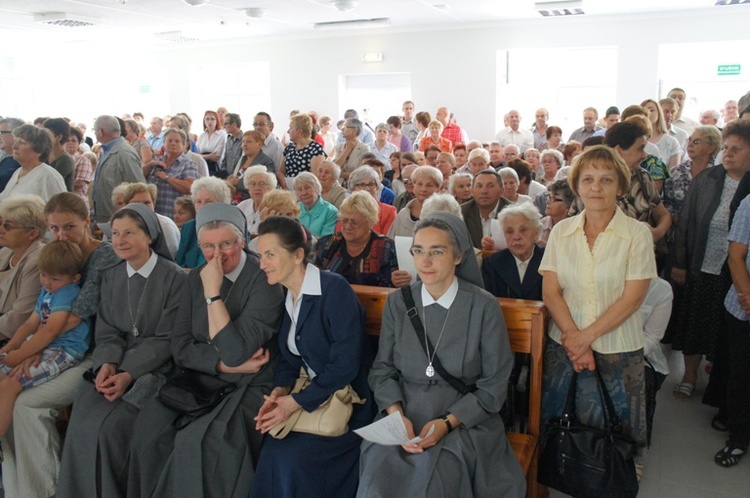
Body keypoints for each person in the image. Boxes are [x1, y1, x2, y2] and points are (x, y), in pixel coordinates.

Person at [358, 212, 526, 497]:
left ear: (458, 256)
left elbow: (494, 385)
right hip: (406, 413)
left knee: (438, 481)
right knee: (378, 477)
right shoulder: (398, 303)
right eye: (418, 251)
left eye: (437, 251)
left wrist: (447, 423)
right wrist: (397, 416)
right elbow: (382, 370)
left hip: (465, 418)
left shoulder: (483, 307)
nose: (425, 261)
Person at [128, 203, 284, 497]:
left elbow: (237, 351)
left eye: (226, 244)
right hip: (203, 374)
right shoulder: (195, 276)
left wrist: (212, 294)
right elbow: (181, 345)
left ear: (242, 242)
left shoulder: (264, 280)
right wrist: (221, 365)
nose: (217, 254)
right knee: (148, 430)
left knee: (202, 444)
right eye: (208, 246)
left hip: (250, 382)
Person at [539, 145, 657, 470]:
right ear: (577, 185)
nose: (596, 187)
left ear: (621, 187)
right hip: (564, 341)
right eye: (588, 179)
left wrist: (584, 338)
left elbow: (633, 298)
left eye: (606, 180)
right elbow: (551, 292)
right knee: (563, 417)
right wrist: (575, 338)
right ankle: (566, 469)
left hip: (617, 345)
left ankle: (617, 473)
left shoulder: (636, 235)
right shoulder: (562, 231)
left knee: (617, 426)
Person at [57, 204, 186, 497]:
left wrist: (129, 372)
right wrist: (107, 364)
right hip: (113, 364)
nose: (119, 240)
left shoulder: (176, 278)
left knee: (110, 430)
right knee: (81, 422)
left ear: (150, 236)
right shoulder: (112, 275)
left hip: (157, 368)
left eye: (129, 233)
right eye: (115, 233)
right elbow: (108, 331)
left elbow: (168, 338)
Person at [1, 193, 119, 498]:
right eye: (54, 228)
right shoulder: (58, 256)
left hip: (92, 351)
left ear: (87, 222)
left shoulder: (102, 256)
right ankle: (17, 490)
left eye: (69, 227)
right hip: (50, 344)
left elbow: (72, 318)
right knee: (8, 395)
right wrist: (30, 346)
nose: (61, 235)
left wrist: (30, 349)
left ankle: (48, 491)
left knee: (25, 404)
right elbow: (39, 317)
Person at [250, 216, 372, 498]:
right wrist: (280, 390)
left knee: (291, 459)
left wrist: (293, 402)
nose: (262, 263)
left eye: (270, 254)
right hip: (315, 396)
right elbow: (292, 359)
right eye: (260, 255)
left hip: (348, 402)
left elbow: (345, 365)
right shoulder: (290, 295)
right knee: (270, 449)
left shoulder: (334, 290)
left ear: (297, 255)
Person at [670, 121, 750, 428]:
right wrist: (680, 262)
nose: (728, 155)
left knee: (724, 329)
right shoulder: (707, 179)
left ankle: (719, 383)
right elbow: (687, 222)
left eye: (736, 150)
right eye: (726, 148)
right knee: (695, 320)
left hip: (735, 272)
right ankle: (689, 374)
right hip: (703, 262)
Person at [0, 240, 88, 436]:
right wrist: (11, 346)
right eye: (43, 275)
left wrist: (20, 354)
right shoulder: (49, 290)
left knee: (10, 384)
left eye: (54, 278)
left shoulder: (67, 292)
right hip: (41, 344)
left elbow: (51, 331)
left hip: (64, 350)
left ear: (75, 278)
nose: (47, 282)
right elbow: (31, 323)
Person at [715, 193, 750, 467]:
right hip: (744, 305)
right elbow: (736, 257)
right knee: (742, 376)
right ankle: (738, 440)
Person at [314, 191, 400, 287]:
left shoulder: (386, 248)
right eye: (345, 220)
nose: (348, 226)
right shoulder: (327, 243)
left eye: (354, 222)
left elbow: (390, 287)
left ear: (370, 223)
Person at [0, 195, 46, 341]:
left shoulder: (38, 261)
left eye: (7, 226)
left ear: (32, 234)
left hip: (12, 335)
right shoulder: (6, 251)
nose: (1, 229)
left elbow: (21, 316)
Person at [482, 202, 544, 300]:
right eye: (510, 232)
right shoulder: (492, 264)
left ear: (536, 233)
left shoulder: (548, 260)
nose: (516, 237)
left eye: (523, 230)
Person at [91, 116, 146, 224]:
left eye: (94, 130)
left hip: (120, 219)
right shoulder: (107, 150)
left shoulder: (124, 153)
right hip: (106, 218)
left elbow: (138, 186)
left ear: (100, 131)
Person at [663, 125, 722, 222]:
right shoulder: (677, 171)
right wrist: (673, 217)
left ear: (711, 148)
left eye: (696, 142)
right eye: (689, 140)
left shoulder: (718, 174)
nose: (690, 144)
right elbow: (666, 201)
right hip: (677, 229)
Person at [0, 124, 66, 203]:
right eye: (15, 141)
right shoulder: (18, 172)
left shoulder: (49, 176)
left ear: (38, 150)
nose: (14, 146)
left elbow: (60, 208)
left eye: (22, 142)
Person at [175, 176, 231, 269]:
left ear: (222, 203)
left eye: (209, 202)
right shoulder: (189, 227)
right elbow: (179, 263)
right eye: (198, 202)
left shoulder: (231, 229)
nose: (203, 207)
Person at [144, 129, 199, 219]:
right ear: (164, 143)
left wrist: (167, 178)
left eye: (177, 141)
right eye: (169, 141)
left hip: (174, 215)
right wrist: (150, 164)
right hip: (153, 215)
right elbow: (139, 177)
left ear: (184, 145)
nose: (173, 143)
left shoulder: (188, 164)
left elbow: (190, 187)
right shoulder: (157, 161)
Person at [123, 183, 181, 257]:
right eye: (136, 203)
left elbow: (169, 258)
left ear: (154, 204)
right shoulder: (118, 224)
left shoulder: (165, 226)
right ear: (126, 206)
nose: (143, 207)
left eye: (147, 203)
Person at [387, 166, 442, 238]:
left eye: (429, 185)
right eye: (419, 184)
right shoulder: (403, 214)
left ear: (438, 188)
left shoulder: (443, 213)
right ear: (414, 186)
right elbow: (390, 241)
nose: (423, 189)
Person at [278, 113, 327, 189]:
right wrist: (285, 184)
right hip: (289, 191)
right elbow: (281, 171)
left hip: (307, 192)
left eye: (291, 128)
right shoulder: (289, 148)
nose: (288, 131)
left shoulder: (315, 148)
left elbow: (316, 177)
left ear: (300, 132)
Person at [228, 130, 276, 202]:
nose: (244, 144)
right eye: (243, 141)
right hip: (234, 197)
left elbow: (266, 184)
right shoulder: (241, 159)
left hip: (251, 199)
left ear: (259, 144)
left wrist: (237, 183)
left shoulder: (267, 162)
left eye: (249, 142)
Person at [294, 172, 338, 238]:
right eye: (300, 189)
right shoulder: (295, 209)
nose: (304, 193)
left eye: (307, 188)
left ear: (317, 188)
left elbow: (326, 240)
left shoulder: (331, 212)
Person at [642, 99, 682, 170]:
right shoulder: (634, 140)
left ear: (659, 113)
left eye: (651, 110)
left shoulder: (671, 142)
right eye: (645, 111)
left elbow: (673, 173)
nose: (648, 114)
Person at [237, 165, 276, 237]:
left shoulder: (274, 208)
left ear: (270, 188)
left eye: (261, 184)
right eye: (252, 184)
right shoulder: (241, 206)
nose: (257, 188)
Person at [43, 118, 76, 192]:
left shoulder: (65, 159)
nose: (42, 138)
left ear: (58, 137)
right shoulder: (45, 156)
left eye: (47, 135)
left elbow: (49, 183)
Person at [538, 179, 574, 246]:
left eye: (553, 199)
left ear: (568, 205)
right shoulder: (541, 225)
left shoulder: (575, 228)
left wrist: (548, 247)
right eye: (549, 196)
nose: (547, 202)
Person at [65, 127, 94, 208]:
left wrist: (61, 183)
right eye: (67, 140)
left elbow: (80, 183)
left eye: (73, 140)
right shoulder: (61, 158)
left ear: (79, 143)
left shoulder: (83, 160)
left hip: (78, 203)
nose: (70, 143)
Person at [197, 110, 227, 176]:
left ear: (217, 121)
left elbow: (216, 156)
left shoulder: (222, 135)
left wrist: (201, 156)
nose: (210, 121)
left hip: (214, 168)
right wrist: (209, 156)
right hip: (201, 167)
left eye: (212, 119)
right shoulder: (202, 136)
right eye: (207, 119)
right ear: (204, 121)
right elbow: (196, 154)